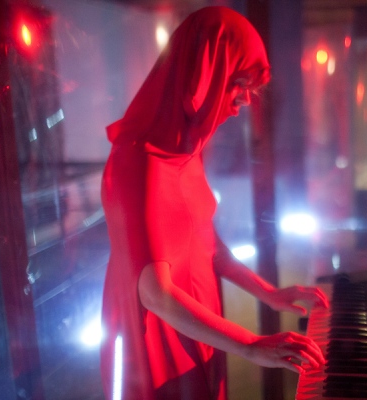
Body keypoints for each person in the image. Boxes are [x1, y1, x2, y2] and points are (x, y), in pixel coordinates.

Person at [99, 6, 328, 400]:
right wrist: (250, 344)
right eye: (237, 83)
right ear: (202, 76)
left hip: (197, 321)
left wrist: (268, 293)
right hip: (159, 336)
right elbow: (155, 292)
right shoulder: (138, 159)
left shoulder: (186, 150)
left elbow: (208, 246)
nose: (245, 101)